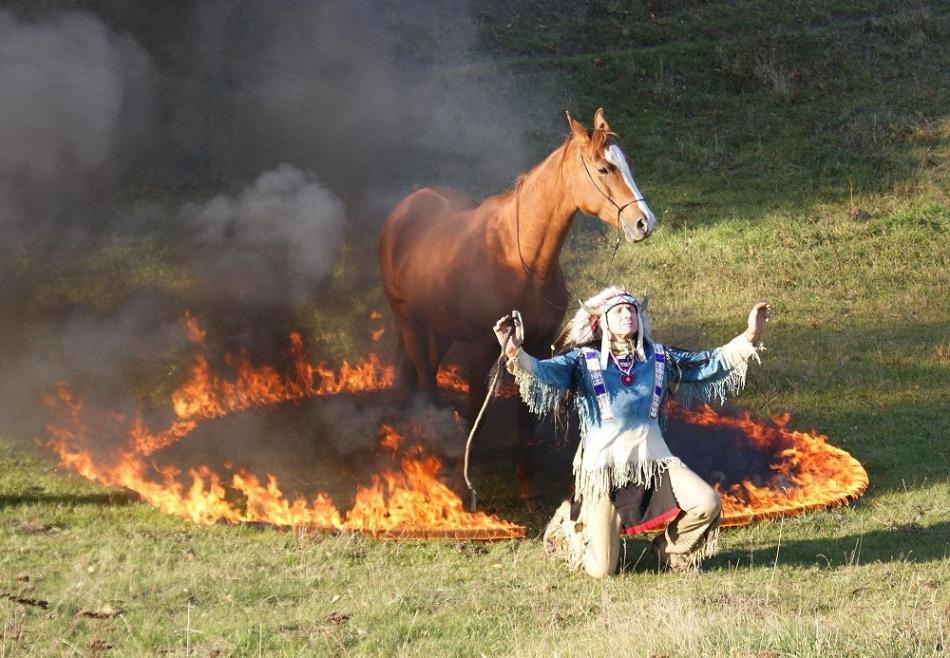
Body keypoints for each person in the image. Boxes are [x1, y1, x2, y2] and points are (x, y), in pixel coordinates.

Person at [493, 286, 771, 577]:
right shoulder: (582, 361)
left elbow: (709, 363)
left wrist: (751, 335)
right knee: (601, 570)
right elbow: (541, 371)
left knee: (707, 502)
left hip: (655, 463)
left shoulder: (661, 358)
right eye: (619, 311)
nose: (627, 314)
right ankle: (568, 523)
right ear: (602, 322)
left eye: (632, 310)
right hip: (604, 471)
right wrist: (512, 348)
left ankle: (670, 551)